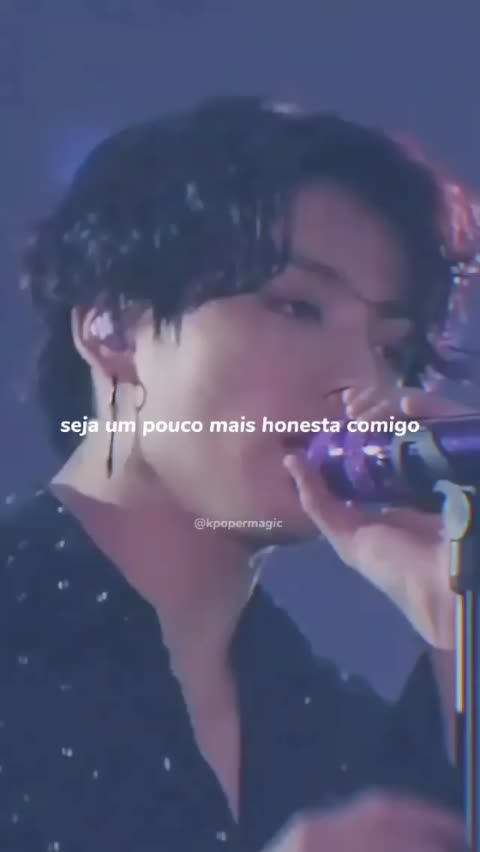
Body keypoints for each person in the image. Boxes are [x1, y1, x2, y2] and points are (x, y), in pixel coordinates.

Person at [1, 95, 477, 852]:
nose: (361, 384)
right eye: (296, 308)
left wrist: (455, 610)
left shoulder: (334, 735)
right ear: (113, 329)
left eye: (390, 348)